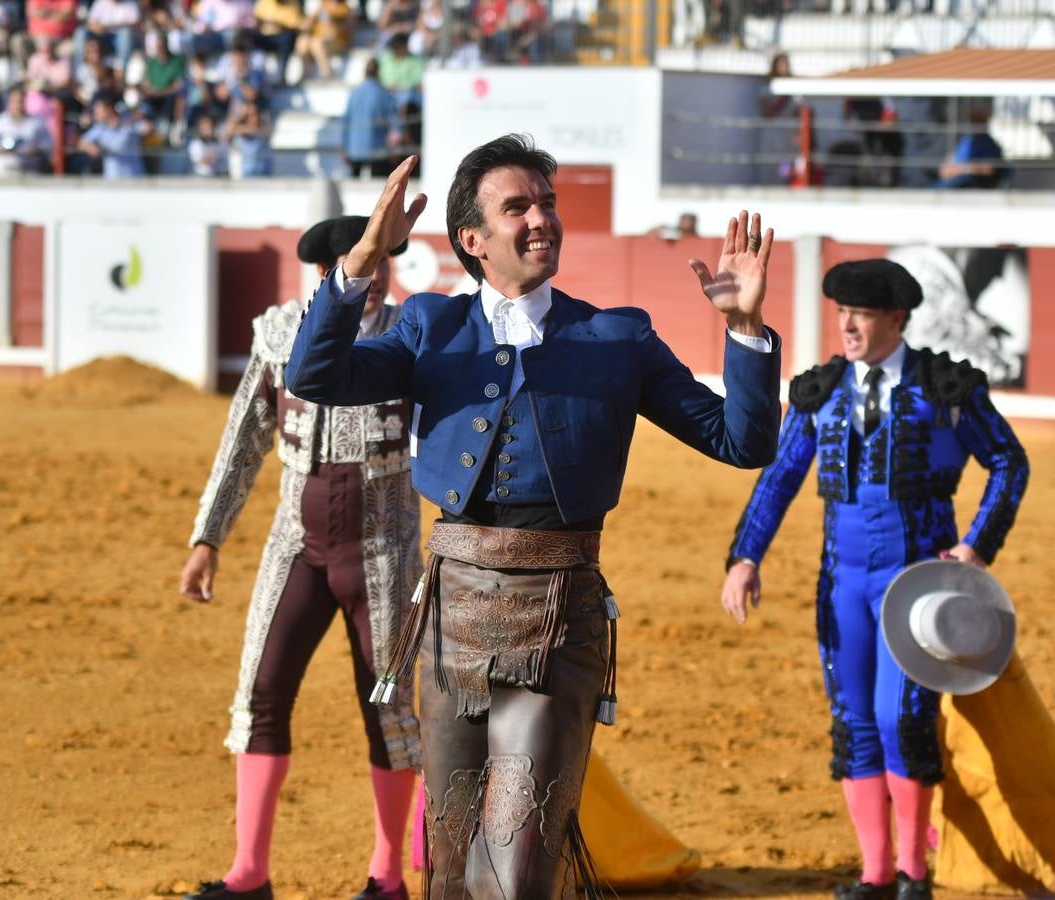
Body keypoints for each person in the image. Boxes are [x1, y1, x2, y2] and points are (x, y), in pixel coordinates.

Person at [284, 134, 784, 899]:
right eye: (517, 206)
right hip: (449, 620)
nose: (541, 218)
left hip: (557, 621)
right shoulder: (429, 325)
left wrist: (746, 332)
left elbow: (741, 441)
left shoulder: (618, 335)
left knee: (514, 872)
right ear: (473, 240)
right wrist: (362, 261)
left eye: (547, 203)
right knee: (450, 873)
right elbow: (314, 374)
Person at [720, 259, 1029, 900]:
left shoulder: (944, 388)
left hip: (918, 586)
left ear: (896, 318)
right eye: (841, 312)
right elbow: (779, 478)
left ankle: (916, 873)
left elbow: (1008, 461)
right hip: (843, 585)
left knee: (900, 721)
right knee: (855, 721)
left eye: (861, 313)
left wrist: (977, 545)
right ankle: (877, 873)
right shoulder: (821, 392)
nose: (849, 324)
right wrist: (746, 557)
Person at [178, 215, 421, 900]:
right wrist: (207, 539)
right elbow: (242, 441)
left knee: (392, 711)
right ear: (326, 273)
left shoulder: (415, 335)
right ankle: (248, 873)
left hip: (387, 550)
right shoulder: (280, 334)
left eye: (381, 263)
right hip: (296, 548)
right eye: (359, 264)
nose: (373, 277)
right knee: (260, 694)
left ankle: (388, 877)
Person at [341, 58, 397, 177]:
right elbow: (394, 123)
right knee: (380, 188)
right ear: (378, 72)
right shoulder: (383, 93)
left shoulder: (354, 93)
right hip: (377, 150)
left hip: (354, 149)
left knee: (353, 187)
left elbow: (346, 122)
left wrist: (344, 147)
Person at [935, 102, 1005, 189]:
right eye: (972, 120)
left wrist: (963, 169)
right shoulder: (966, 140)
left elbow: (989, 169)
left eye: (977, 120)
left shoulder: (990, 145)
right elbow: (951, 159)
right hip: (952, 180)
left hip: (969, 183)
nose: (974, 123)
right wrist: (946, 169)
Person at [79, 94, 145, 176]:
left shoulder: (128, 121)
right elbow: (82, 143)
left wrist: (123, 122)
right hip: (112, 180)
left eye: (99, 110)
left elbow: (146, 127)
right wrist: (91, 148)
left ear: (109, 109)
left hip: (134, 178)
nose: (95, 113)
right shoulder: (100, 127)